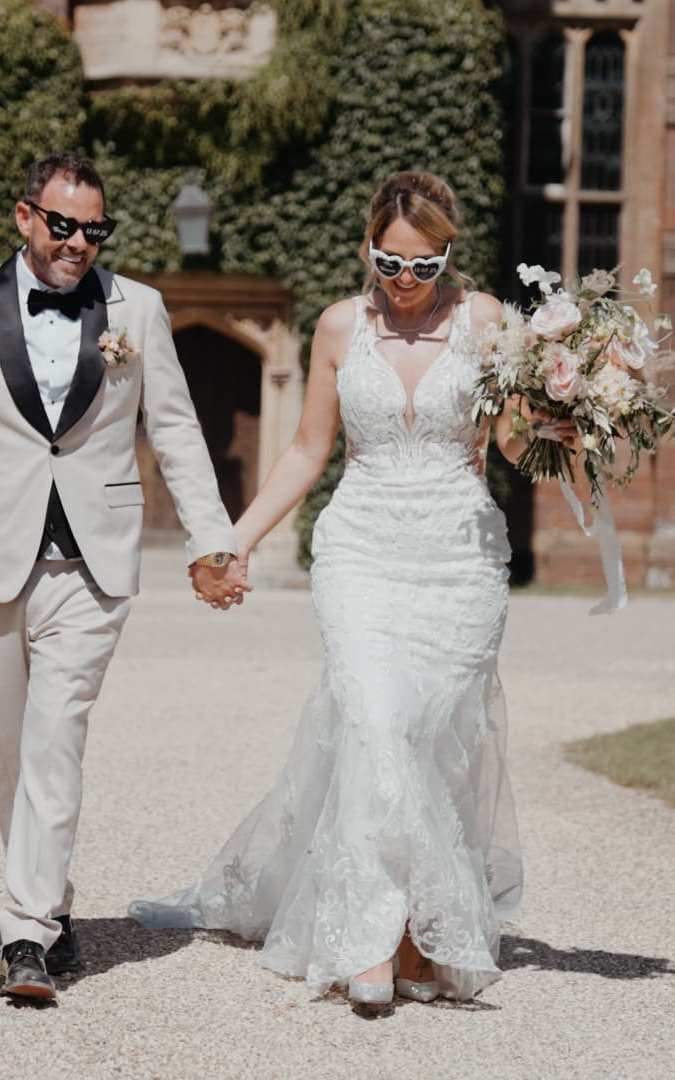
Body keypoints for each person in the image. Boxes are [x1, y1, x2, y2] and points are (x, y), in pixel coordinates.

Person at [132, 171, 559, 1013]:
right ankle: (367, 938)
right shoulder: (338, 326)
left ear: (448, 254)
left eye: (423, 266)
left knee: (431, 736)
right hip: (361, 549)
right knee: (373, 720)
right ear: (369, 248)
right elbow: (305, 450)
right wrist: (232, 542)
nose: (405, 282)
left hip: (461, 560)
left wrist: (572, 424)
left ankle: (418, 935)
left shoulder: (487, 323)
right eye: (388, 263)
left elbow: (513, 445)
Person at [0, 153, 249, 1003]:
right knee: (6, 749)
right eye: (62, 225)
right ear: (25, 217)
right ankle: (51, 902)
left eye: (95, 230)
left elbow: (175, 428)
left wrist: (212, 541)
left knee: (56, 740)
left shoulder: (140, 309)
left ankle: (23, 934)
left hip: (93, 565)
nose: (78, 243)